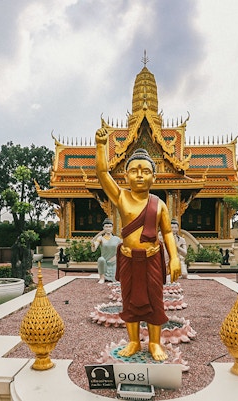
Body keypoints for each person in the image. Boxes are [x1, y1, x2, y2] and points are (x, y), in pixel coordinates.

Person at [95, 127, 181, 361]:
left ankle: (154, 343)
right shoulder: (122, 197)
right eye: (134, 171)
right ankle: (133, 342)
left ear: (154, 177)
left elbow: (168, 234)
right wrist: (101, 146)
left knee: (155, 300)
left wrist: (173, 258)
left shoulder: (159, 204)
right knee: (129, 300)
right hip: (129, 258)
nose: (140, 175)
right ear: (125, 176)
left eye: (145, 171)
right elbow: (103, 174)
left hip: (152, 257)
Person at [91, 218, 122, 283]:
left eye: (110, 227)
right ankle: (102, 278)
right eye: (106, 227)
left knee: (115, 280)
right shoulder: (101, 238)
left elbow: (122, 250)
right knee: (101, 259)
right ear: (103, 228)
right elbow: (93, 250)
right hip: (104, 261)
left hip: (114, 262)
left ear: (112, 228)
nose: (108, 228)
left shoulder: (117, 239)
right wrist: (93, 243)